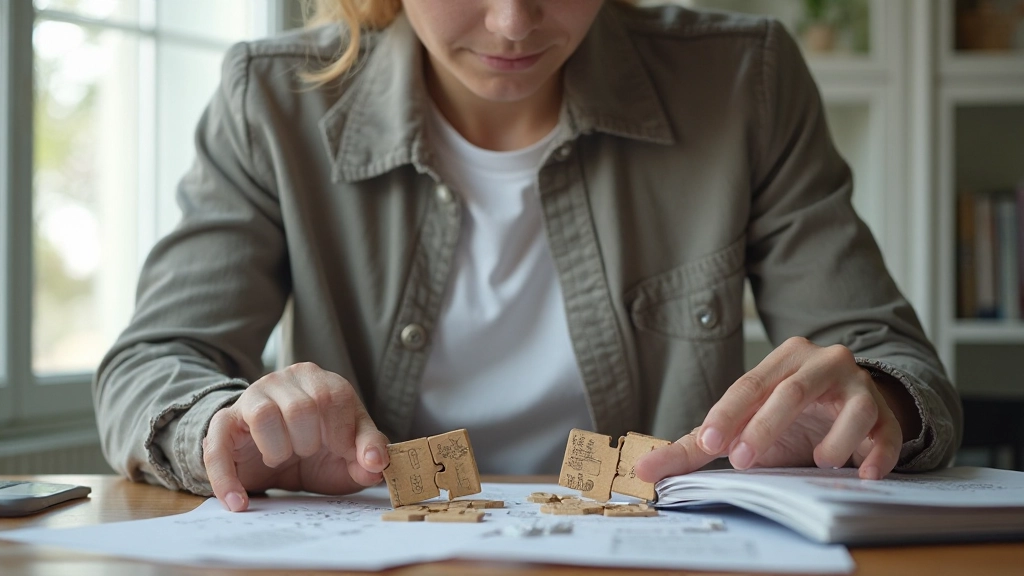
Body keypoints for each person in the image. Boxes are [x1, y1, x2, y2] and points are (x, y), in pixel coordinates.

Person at [95, 0, 962, 513]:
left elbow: (889, 357)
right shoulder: (270, 102)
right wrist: (224, 423)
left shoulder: (745, 83)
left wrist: (873, 400)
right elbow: (153, 363)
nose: (513, 23)